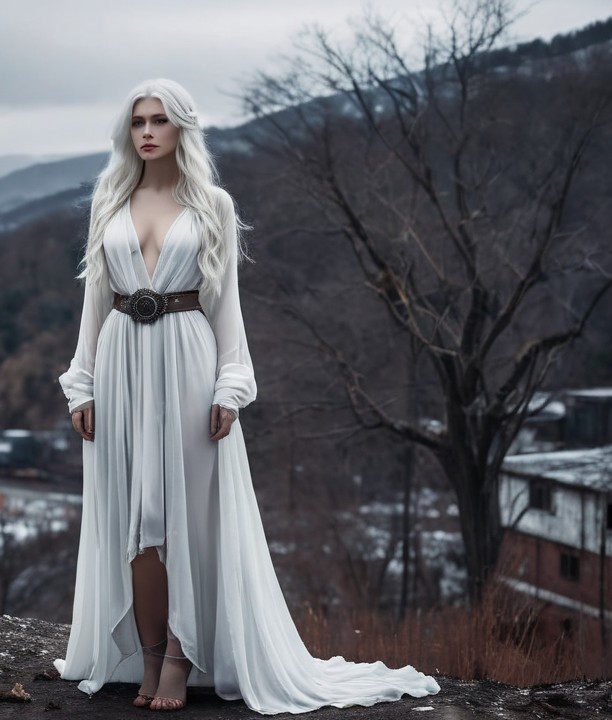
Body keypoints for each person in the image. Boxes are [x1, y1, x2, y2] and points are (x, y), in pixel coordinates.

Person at [55, 78, 439, 714]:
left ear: (182, 128)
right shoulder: (109, 199)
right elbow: (94, 299)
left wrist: (230, 387)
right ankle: (146, 657)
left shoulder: (213, 205)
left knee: (184, 519)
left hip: (188, 360)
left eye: (159, 120)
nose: (147, 132)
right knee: (134, 524)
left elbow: (225, 303)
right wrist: (82, 384)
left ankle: (180, 657)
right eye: (138, 121)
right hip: (120, 364)